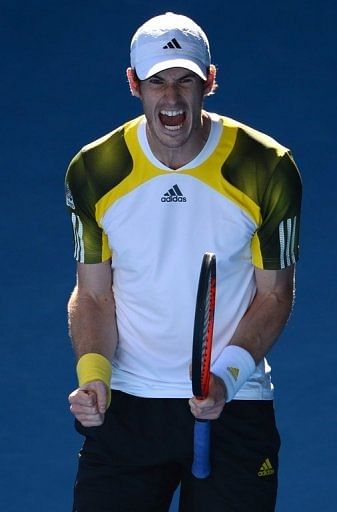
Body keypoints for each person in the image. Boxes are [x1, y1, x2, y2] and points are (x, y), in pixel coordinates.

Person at [65, 11, 302, 512]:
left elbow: (275, 294)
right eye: (156, 82)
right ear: (134, 84)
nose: (171, 99)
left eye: (186, 80)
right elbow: (93, 293)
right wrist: (93, 374)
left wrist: (225, 378)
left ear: (209, 82)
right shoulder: (94, 169)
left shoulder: (266, 166)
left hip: (236, 406)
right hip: (127, 408)